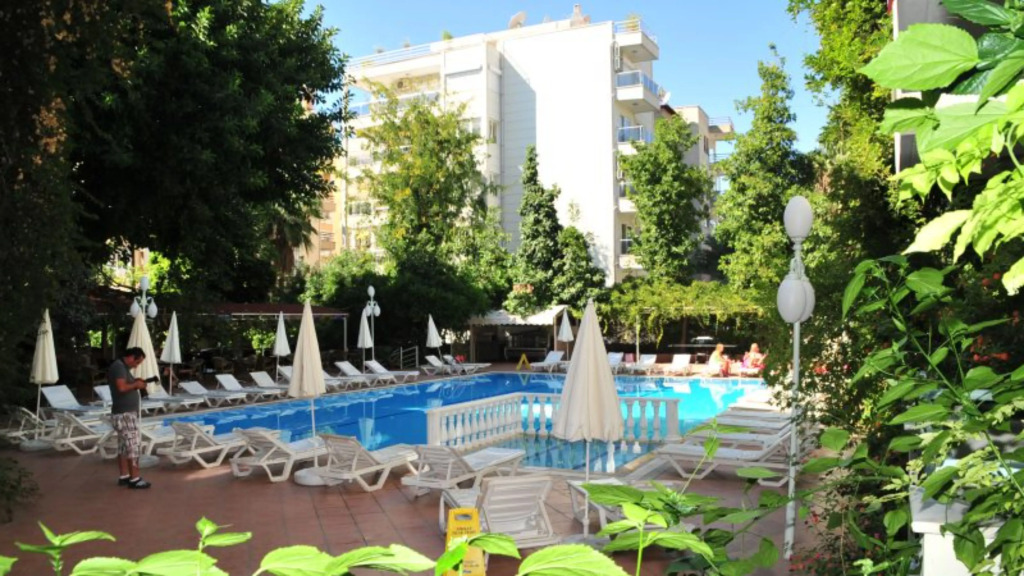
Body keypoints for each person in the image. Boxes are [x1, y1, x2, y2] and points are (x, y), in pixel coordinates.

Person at [108, 347, 152, 489]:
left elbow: (123, 385)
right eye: (137, 362)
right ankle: (135, 479)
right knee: (133, 446)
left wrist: (135, 382)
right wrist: (136, 385)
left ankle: (124, 476)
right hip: (125, 415)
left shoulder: (120, 367)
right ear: (132, 357)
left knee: (123, 447)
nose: (136, 366)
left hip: (122, 413)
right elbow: (121, 388)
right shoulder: (119, 367)